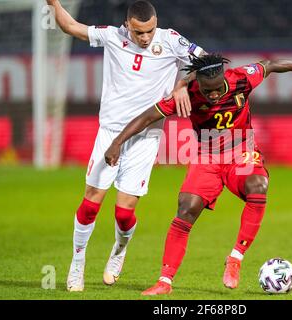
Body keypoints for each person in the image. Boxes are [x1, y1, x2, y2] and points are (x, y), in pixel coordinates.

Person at [104, 53, 292, 295]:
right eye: (208, 91)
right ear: (199, 84)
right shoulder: (188, 95)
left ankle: (235, 258)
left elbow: (269, 65)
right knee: (186, 209)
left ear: (224, 79)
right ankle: (164, 281)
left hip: (241, 151)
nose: (214, 94)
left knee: (258, 186)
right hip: (206, 157)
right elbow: (147, 116)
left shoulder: (241, 78)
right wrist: (117, 143)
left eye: (218, 89)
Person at [46, 0, 205, 291]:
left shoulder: (170, 40)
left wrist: (182, 84)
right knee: (90, 204)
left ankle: (119, 251)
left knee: (123, 213)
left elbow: (204, 60)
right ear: (127, 25)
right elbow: (70, 26)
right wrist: (54, 3)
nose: (145, 38)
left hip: (146, 138)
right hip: (109, 133)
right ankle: (77, 265)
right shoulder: (111, 36)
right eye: (139, 32)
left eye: (150, 31)